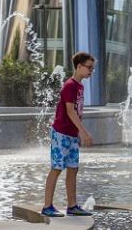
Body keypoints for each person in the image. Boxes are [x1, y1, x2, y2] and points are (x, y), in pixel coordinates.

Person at [41, 52, 96, 217]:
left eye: (92, 68)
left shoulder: (80, 86)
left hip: (71, 135)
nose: (91, 71)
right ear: (79, 67)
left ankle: (72, 206)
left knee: (73, 168)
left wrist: (77, 132)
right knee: (56, 168)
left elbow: (77, 113)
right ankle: (47, 206)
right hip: (61, 134)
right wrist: (84, 131)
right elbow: (70, 111)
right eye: (89, 67)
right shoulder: (70, 85)